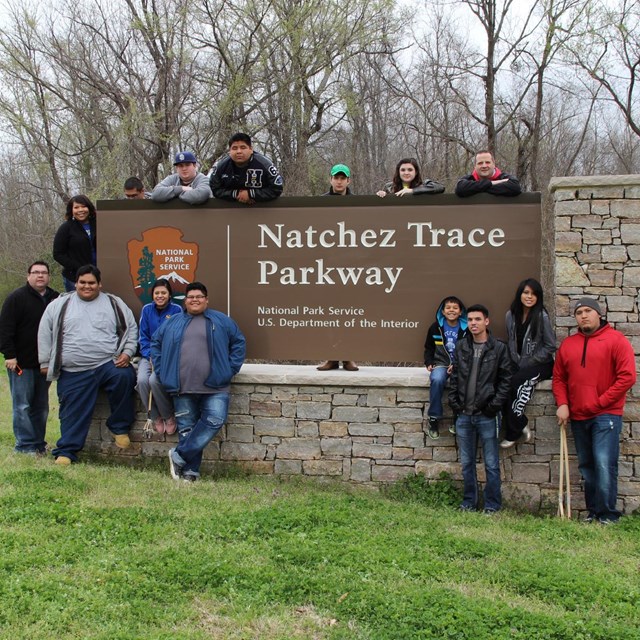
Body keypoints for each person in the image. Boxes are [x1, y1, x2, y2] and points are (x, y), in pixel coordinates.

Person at [38, 265, 138, 465]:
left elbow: (131, 329)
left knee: (125, 377)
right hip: (73, 369)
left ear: (99, 284)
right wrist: (45, 362)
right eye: (82, 282)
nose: (87, 286)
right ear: (76, 283)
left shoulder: (114, 303)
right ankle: (66, 451)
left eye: (91, 282)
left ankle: (119, 427)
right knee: (71, 410)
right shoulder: (59, 304)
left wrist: (127, 352)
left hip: (107, 364)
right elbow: (44, 333)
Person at [151, 282, 246, 482]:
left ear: (206, 299)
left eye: (199, 296)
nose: (195, 300)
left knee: (215, 420)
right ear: (185, 301)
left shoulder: (221, 321)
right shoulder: (172, 322)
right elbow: (155, 344)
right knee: (187, 429)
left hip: (216, 386)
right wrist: (162, 370)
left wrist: (230, 369)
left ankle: (179, 455)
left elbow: (238, 342)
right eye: (191, 297)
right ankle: (190, 473)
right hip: (181, 387)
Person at [553, 298, 636, 524]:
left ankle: (608, 514)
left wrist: (599, 403)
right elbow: (559, 378)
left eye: (588, 311)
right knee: (587, 466)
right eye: (579, 312)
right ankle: (593, 513)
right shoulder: (569, 345)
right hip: (578, 416)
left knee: (603, 463)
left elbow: (627, 377)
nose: (583, 315)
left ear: (599, 314)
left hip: (606, 415)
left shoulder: (616, 340)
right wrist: (562, 403)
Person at [448, 304, 511, 513]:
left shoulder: (499, 348)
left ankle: (492, 506)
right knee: (467, 464)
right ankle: (469, 503)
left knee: (491, 464)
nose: (473, 323)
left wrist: (493, 407)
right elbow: (455, 377)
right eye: (470, 320)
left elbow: (505, 381)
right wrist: (455, 404)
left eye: (477, 319)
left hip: (487, 415)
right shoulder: (461, 346)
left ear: (486, 321)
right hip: (464, 415)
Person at [0, 262, 59, 455]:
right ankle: (25, 446)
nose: (40, 276)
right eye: (36, 272)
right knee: (22, 405)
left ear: (49, 276)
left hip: (45, 364)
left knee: (40, 407)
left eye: (44, 273)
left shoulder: (56, 298)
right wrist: (10, 355)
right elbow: (5, 330)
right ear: (28, 276)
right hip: (21, 364)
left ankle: (38, 444)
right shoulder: (16, 298)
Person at [500, 279, 556, 448]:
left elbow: (551, 345)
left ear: (538, 297)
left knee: (516, 382)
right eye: (526, 293)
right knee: (502, 383)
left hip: (541, 364)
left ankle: (513, 433)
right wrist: (513, 361)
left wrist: (530, 361)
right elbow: (510, 341)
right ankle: (521, 422)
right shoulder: (510, 315)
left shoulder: (541, 316)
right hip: (518, 363)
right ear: (520, 294)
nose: (529, 297)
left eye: (533, 294)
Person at [317, 163, 358, 372]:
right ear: (331, 180)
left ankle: (348, 357)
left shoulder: (358, 204)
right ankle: (331, 358)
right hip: (326, 269)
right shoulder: (321, 204)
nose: (339, 181)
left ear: (348, 181)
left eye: (343, 178)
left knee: (349, 314)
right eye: (336, 177)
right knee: (329, 314)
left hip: (351, 269)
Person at [137, 279, 182, 434]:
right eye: (157, 293)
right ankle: (155, 416)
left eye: (163, 292)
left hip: (167, 357)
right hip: (148, 356)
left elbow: (177, 337)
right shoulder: (146, 310)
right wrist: (149, 354)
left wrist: (161, 356)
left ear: (169, 295)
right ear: (152, 295)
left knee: (154, 381)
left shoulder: (176, 310)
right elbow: (143, 336)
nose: (160, 296)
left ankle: (168, 416)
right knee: (142, 380)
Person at [423, 296, 467, 439]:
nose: (451, 310)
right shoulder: (435, 327)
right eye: (448, 308)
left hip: (460, 364)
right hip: (440, 363)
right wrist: (429, 361)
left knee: (462, 382)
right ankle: (434, 418)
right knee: (436, 379)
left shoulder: (466, 328)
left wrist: (456, 365)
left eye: (455, 308)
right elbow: (428, 347)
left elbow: (470, 349)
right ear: (442, 311)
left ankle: (457, 417)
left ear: (461, 312)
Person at [209, 132, 283, 205]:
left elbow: (277, 188)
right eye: (234, 148)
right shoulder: (222, 166)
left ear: (251, 149)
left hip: (263, 209)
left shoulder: (265, 164)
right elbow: (215, 189)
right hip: (231, 209)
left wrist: (251, 194)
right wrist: (236, 194)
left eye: (243, 147)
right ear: (230, 151)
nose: (239, 151)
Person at [53, 194, 97, 292]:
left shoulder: (99, 223)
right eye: (76, 207)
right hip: (74, 278)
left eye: (83, 206)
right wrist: (79, 268)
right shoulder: (66, 228)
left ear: (89, 208)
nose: (80, 210)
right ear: (71, 211)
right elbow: (58, 254)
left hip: (99, 276)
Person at [454, 151, 522, 197]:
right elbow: (460, 189)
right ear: (475, 166)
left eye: (487, 162)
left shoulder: (504, 177)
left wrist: (475, 189)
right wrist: (491, 183)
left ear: (494, 164)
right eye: (480, 163)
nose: (484, 166)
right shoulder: (469, 179)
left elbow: (515, 187)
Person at [376, 158, 444, 197]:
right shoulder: (389, 187)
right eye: (403, 170)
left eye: (410, 170)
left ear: (416, 172)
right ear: (398, 172)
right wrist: (381, 194)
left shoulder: (424, 184)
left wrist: (412, 191)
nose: (406, 173)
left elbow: (440, 187)